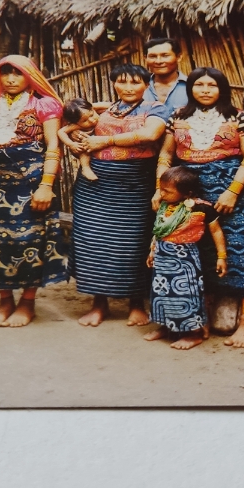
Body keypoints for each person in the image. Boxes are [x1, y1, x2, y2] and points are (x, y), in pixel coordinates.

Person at [156, 67, 244, 347]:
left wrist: (232, 192)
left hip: (229, 190)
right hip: (187, 189)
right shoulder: (178, 116)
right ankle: (196, 319)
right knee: (195, 251)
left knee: (243, 249)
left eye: (212, 85)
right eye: (199, 85)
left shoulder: (238, 117)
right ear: (190, 87)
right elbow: (166, 154)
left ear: (223, 88)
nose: (205, 90)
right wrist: (160, 188)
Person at [0, 56, 68, 327]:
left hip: (31, 182)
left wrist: (46, 186)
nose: (10, 79)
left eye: (17, 74)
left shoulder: (45, 105)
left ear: (30, 76)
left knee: (31, 240)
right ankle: (5, 300)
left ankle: (27, 303)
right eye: (5, 73)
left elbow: (53, 146)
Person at [69, 63, 170, 327]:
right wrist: (77, 143)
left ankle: (135, 303)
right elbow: (71, 126)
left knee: (133, 243)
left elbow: (150, 134)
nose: (128, 88)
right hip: (95, 185)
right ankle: (99, 303)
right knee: (94, 243)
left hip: (135, 181)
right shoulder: (102, 110)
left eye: (135, 82)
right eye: (121, 82)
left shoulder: (155, 109)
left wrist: (106, 142)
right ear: (113, 83)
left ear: (146, 85)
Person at [144, 167, 227, 350]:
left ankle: (193, 333)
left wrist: (222, 257)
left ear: (187, 193)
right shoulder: (165, 206)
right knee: (162, 295)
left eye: (168, 191)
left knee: (185, 295)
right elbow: (158, 231)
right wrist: (152, 251)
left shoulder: (201, 208)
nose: (162, 194)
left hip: (185, 260)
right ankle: (167, 328)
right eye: (161, 189)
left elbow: (216, 232)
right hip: (162, 257)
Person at [142, 36, 189, 116]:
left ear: (179, 57)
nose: (158, 61)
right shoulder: (138, 87)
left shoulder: (192, 87)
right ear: (145, 58)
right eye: (153, 56)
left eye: (165, 55)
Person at [57, 98, 100, 182]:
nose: (92, 121)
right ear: (76, 123)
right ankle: (86, 168)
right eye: (84, 121)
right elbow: (61, 132)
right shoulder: (77, 126)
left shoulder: (101, 114)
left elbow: (111, 105)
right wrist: (71, 144)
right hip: (87, 146)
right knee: (83, 149)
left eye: (91, 115)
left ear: (93, 109)